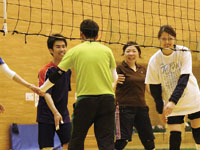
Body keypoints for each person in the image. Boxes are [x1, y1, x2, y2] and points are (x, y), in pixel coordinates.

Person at [39, 19, 118, 150]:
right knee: (106, 141)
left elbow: (58, 73)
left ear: (81, 34)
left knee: (76, 139)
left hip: (86, 101)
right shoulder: (107, 50)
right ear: (97, 36)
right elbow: (114, 77)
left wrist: (42, 89)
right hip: (107, 100)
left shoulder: (75, 51)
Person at [145, 25, 200, 150]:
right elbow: (155, 87)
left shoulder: (184, 52)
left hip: (190, 97)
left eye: (170, 38)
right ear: (159, 39)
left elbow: (184, 79)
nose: (167, 42)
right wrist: (160, 109)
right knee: (174, 137)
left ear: (174, 39)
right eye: (164, 39)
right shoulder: (155, 60)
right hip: (171, 103)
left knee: (197, 132)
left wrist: (172, 101)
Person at [114, 41, 155, 150]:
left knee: (149, 140)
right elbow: (111, 87)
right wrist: (115, 80)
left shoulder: (142, 69)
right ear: (124, 53)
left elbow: (147, 88)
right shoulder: (119, 69)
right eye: (128, 51)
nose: (131, 53)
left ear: (138, 54)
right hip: (124, 108)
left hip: (141, 108)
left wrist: (159, 100)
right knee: (123, 140)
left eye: (134, 51)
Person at [37, 34, 71, 150]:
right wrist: (55, 112)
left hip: (63, 114)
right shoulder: (45, 70)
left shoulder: (68, 69)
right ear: (51, 50)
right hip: (46, 114)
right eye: (58, 47)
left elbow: (65, 92)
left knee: (70, 144)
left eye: (63, 46)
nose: (62, 49)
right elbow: (46, 93)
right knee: (46, 147)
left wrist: (62, 112)